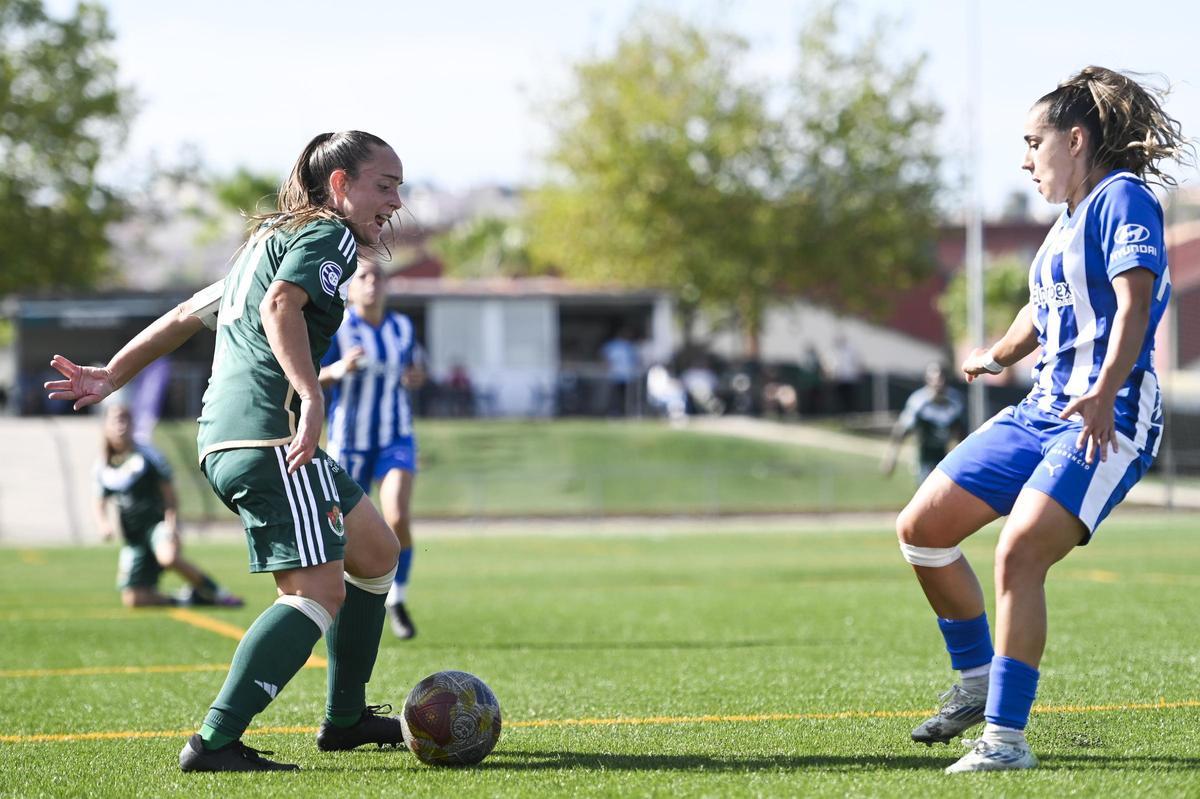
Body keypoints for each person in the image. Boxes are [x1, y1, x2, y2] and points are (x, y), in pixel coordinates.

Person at [46, 131, 407, 773]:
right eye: (385, 185)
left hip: (232, 438)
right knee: (316, 593)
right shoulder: (331, 238)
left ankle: (346, 718)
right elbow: (280, 306)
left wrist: (111, 376)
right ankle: (215, 741)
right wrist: (312, 396)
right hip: (271, 438)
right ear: (341, 185)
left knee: (376, 552)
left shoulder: (265, 243)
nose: (396, 200)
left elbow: (187, 313)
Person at [895, 67, 1191, 773]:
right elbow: (1043, 305)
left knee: (1019, 551)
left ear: (1077, 139)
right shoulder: (1065, 223)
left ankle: (1004, 741)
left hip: (1107, 413)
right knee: (922, 529)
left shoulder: (1123, 200)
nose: (1025, 159)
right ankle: (975, 681)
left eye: (1034, 142)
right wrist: (997, 353)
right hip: (1040, 411)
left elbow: (1134, 305)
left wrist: (1104, 388)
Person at [319, 257, 425, 640]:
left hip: (395, 435)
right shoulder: (340, 328)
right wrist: (337, 370)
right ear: (351, 285)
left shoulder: (402, 327)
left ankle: (398, 597)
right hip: (350, 442)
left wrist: (416, 377)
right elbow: (310, 373)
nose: (372, 283)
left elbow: (413, 369)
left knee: (396, 515)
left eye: (379, 276)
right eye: (364, 276)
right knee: (346, 532)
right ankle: (344, 601)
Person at [95, 403, 243, 609]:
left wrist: (171, 523)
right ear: (106, 426)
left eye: (125, 419)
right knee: (134, 600)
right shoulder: (104, 465)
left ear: (132, 424)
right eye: (115, 420)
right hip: (134, 538)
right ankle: (187, 599)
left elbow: (169, 494)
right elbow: (100, 500)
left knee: (168, 557)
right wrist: (103, 524)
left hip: (157, 525)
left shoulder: (148, 455)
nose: (121, 425)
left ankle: (219, 594)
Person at [881, 363, 965, 484]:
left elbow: (961, 433)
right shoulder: (918, 402)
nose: (939, 383)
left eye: (942, 378)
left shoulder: (955, 401)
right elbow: (901, 431)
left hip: (943, 457)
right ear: (927, 380)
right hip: (924, 459)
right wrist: (891, 459)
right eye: (935, 379)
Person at [600, 326, 639, 416]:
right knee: (614, 396)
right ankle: (614, 412)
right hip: (614, 375)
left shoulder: (628, 346)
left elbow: (634, 360)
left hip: (625, 376)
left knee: (624, 396)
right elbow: (605, 359)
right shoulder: (612, 345)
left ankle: (623, 412)